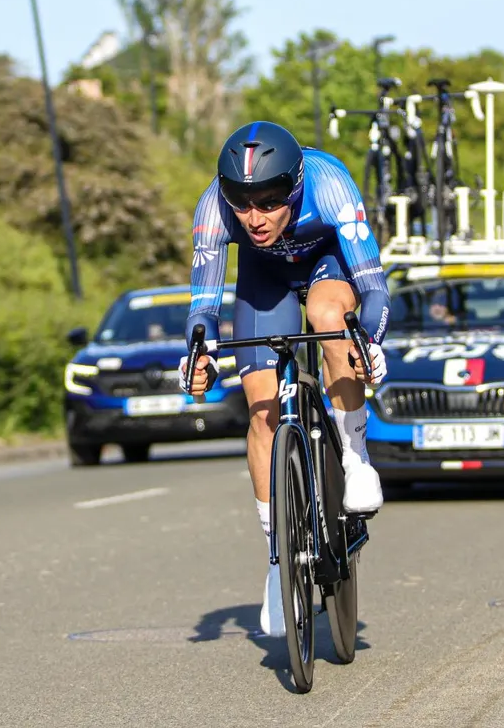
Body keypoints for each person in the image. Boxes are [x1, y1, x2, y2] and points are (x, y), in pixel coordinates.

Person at [179, 120, 391, 637]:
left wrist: (370, 341)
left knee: (327, 317)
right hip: (265, 279)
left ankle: (355, 455)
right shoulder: (213, 208)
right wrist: (197, 354)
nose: (255, 217)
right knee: (262, 412)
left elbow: (375, 288)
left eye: (270, 201)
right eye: (242, 203)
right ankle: (279, 562)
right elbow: (202, 306)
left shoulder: (331, 184)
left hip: (328, 265)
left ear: (295, 186)